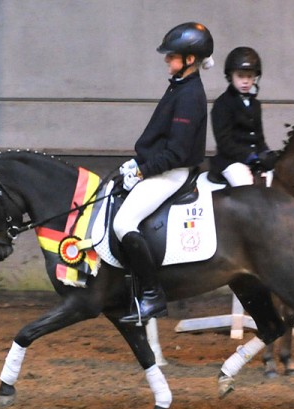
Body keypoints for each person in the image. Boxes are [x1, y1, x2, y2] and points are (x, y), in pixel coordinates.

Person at [114, 22, 214, 323]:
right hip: (159, 166)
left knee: (123, 223)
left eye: (172, 56)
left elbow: (177, 152)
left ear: (190, 60)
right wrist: (137, 162)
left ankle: (152, 295)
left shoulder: (190, 94)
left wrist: (144, 171)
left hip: (172, 173)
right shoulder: (179, 85)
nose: (167, 61)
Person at [209, 47, 278, 186]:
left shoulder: (256, 104)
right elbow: (224, 142)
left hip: (254, 159)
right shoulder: (222, 104)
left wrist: (266, 153)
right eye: (240, 76)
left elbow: (259, 137)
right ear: (231, 76)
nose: (246, 81)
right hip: (231, 161)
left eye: (250, 76)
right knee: (246, 185)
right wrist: (250, 156)